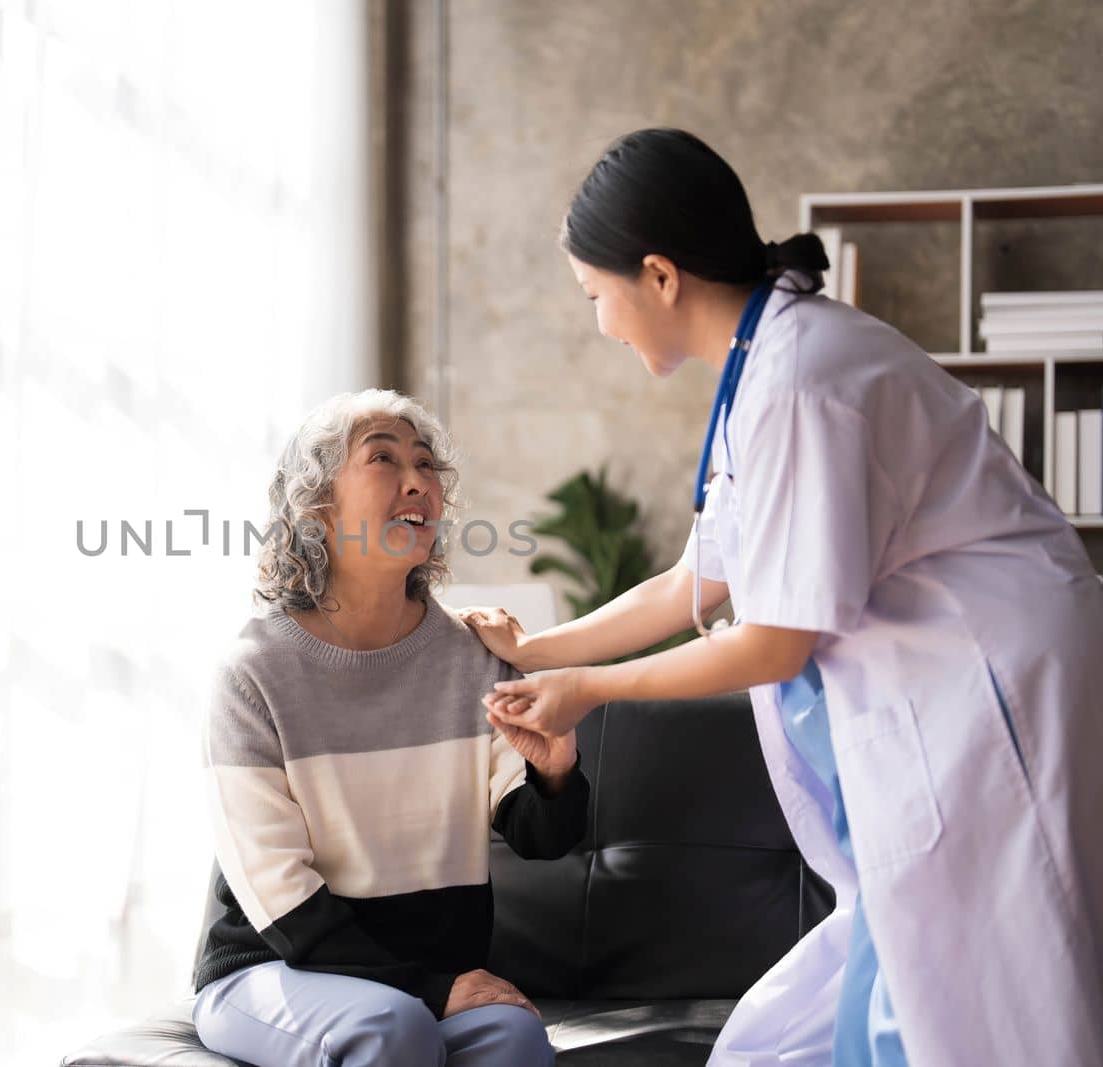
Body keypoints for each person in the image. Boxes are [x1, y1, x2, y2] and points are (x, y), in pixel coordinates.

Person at [461, 128, 1103, 1066]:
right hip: (945, 700)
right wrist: (537, 651)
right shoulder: (760, 373)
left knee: (990, 1003)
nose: (600, 321)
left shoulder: (803, 380)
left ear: (659, 274)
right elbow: (693, 583)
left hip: (994, 698)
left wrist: (591, 692)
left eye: (596, 295)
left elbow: (773, 643)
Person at [193, 389, 590, 1067]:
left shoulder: (472, 655)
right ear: (317, 507)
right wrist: (431, 990)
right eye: (383, 457)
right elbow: (282, 901)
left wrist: (554, 769)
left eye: (427, 464)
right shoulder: (254, 672)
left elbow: (541, 835)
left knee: (514, 1035)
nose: (418, 480)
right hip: (273, 968)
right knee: (390, 1025)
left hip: (418, 983)